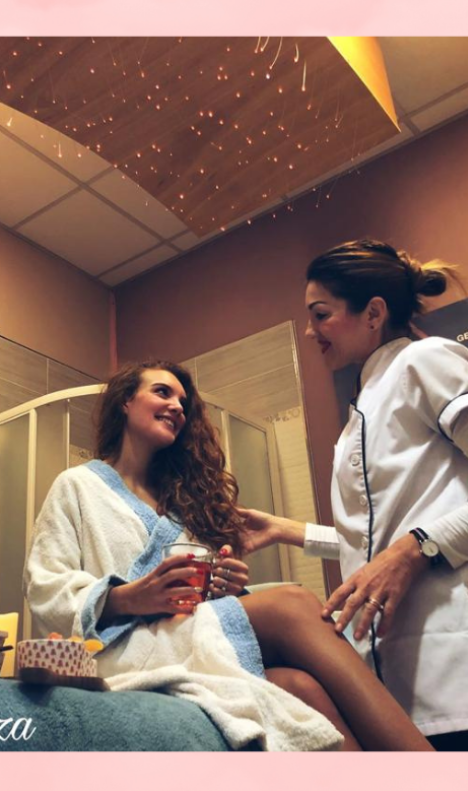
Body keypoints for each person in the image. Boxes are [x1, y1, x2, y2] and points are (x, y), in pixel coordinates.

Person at [24, 358, 432, 751]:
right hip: (117, 649)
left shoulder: (183, 507)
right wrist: (130, 597)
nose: (177, 407)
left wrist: (226, 590)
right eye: (163, 392)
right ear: (126, 401)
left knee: (301, 688)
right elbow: (46, 590)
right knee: (292, 604)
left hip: (182, 641)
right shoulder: (77, 486)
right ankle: (432, 774)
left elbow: (194, 604)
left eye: (183, 402)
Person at [240, 238, 468, 751]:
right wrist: (287, 531)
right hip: (398, 682)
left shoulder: (425, 361)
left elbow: (402, 544)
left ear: (374, 314)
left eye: (320, 314)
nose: (309, 331)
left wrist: (417, 549)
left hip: (456, 662)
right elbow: (373, 542)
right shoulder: (362, 408)